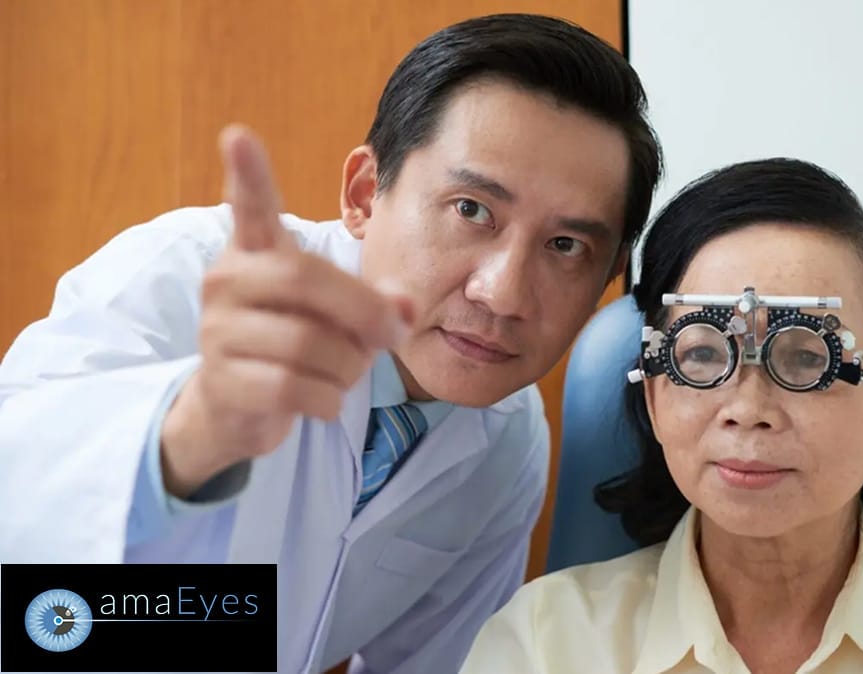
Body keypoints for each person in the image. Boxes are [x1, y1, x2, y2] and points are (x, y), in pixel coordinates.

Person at [0, 13, 662, 674]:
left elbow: (440, 664)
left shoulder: (509, 440)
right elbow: (26, 527)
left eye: (565, 246)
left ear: (607, 276)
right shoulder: (191, 273)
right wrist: (191, 431)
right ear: (365, 194)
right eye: (470, 209)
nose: (503, 293)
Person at [459, 158, 863, 674]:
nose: (747, 410)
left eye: (808, 357)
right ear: (656, 395)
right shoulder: (546, 645)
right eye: (703, 353)